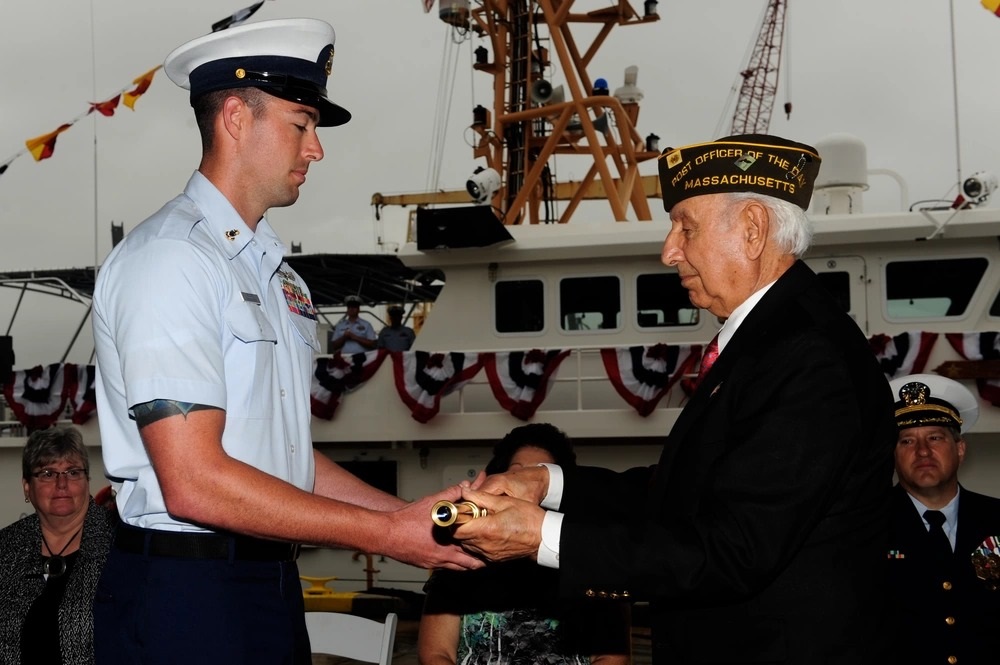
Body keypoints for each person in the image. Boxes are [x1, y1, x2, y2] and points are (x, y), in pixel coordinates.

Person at [91, 19, 480, 664]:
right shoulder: (171, 261)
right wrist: (389, 535)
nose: (316, 149)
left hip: (263, 581)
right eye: (302, 123)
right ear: (237, 118)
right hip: (187, 593)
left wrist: (418, 519)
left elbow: (285, 459)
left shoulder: (271, 272)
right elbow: (193, 482)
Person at [452, 134, 898, 664]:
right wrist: (546, 484)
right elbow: (687, 495)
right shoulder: (773, 341)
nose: (669, 251)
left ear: (752, 230)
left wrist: (539, 537)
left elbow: (733, 551)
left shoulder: (807, 356)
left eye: (686, 227)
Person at [418, 424, 630, 665]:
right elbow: (435, 654)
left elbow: (613, 658)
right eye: (517, 473)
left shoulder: (590, 555)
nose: (525, 483)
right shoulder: (460, 557)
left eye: (538, 476)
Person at [886, 373, 1000, 665]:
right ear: (891, 456)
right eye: (907, 440)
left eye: (935, 437)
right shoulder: (865, 528)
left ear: (960, 449)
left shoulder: (997, 519)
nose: (923, 451)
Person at [0, 426, 115, 665]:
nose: (62, 484)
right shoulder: (6, 546)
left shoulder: (118, 542)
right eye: (48, 474)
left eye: (73, 472)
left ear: (87, 481)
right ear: (27, 487)